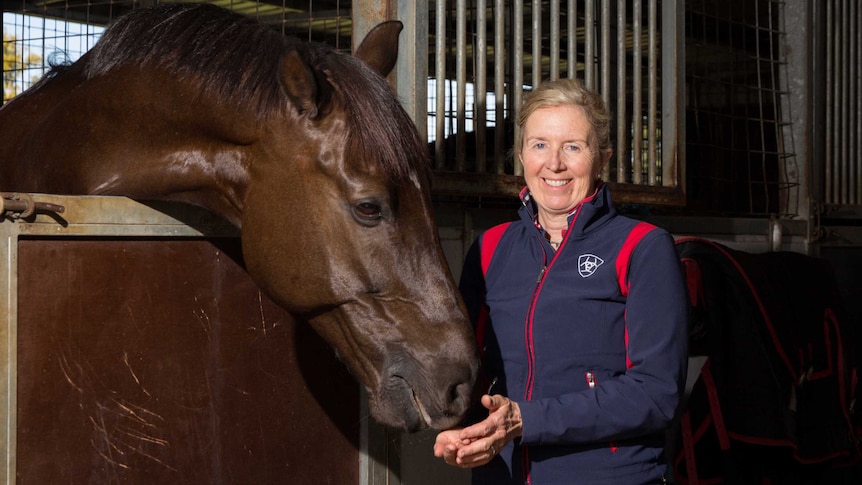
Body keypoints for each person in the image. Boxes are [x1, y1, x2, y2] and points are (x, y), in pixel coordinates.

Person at [433, 78, 689, 484]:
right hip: (504, 475)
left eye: (573, 146)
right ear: (520, 155)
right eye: (539, 145)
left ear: (601, 158)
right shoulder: (490, 248)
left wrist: (526, 419)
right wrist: (462, 427)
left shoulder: (642, 248)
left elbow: (656, 394)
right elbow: (472, 368)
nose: (554, 163)